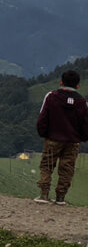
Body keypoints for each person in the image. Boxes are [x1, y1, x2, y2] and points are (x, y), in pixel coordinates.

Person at [35, 69, 88, 205]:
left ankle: (44, 195)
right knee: (67, 169)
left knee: (47, 165)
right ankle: (60, 198)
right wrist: (81, 137)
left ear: (61, 82)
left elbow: (43, 117)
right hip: (72, 141)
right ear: (78, 85)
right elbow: (85, 124)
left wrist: (43, 133)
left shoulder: (51, 96)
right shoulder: (82, 102)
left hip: (53, 138)